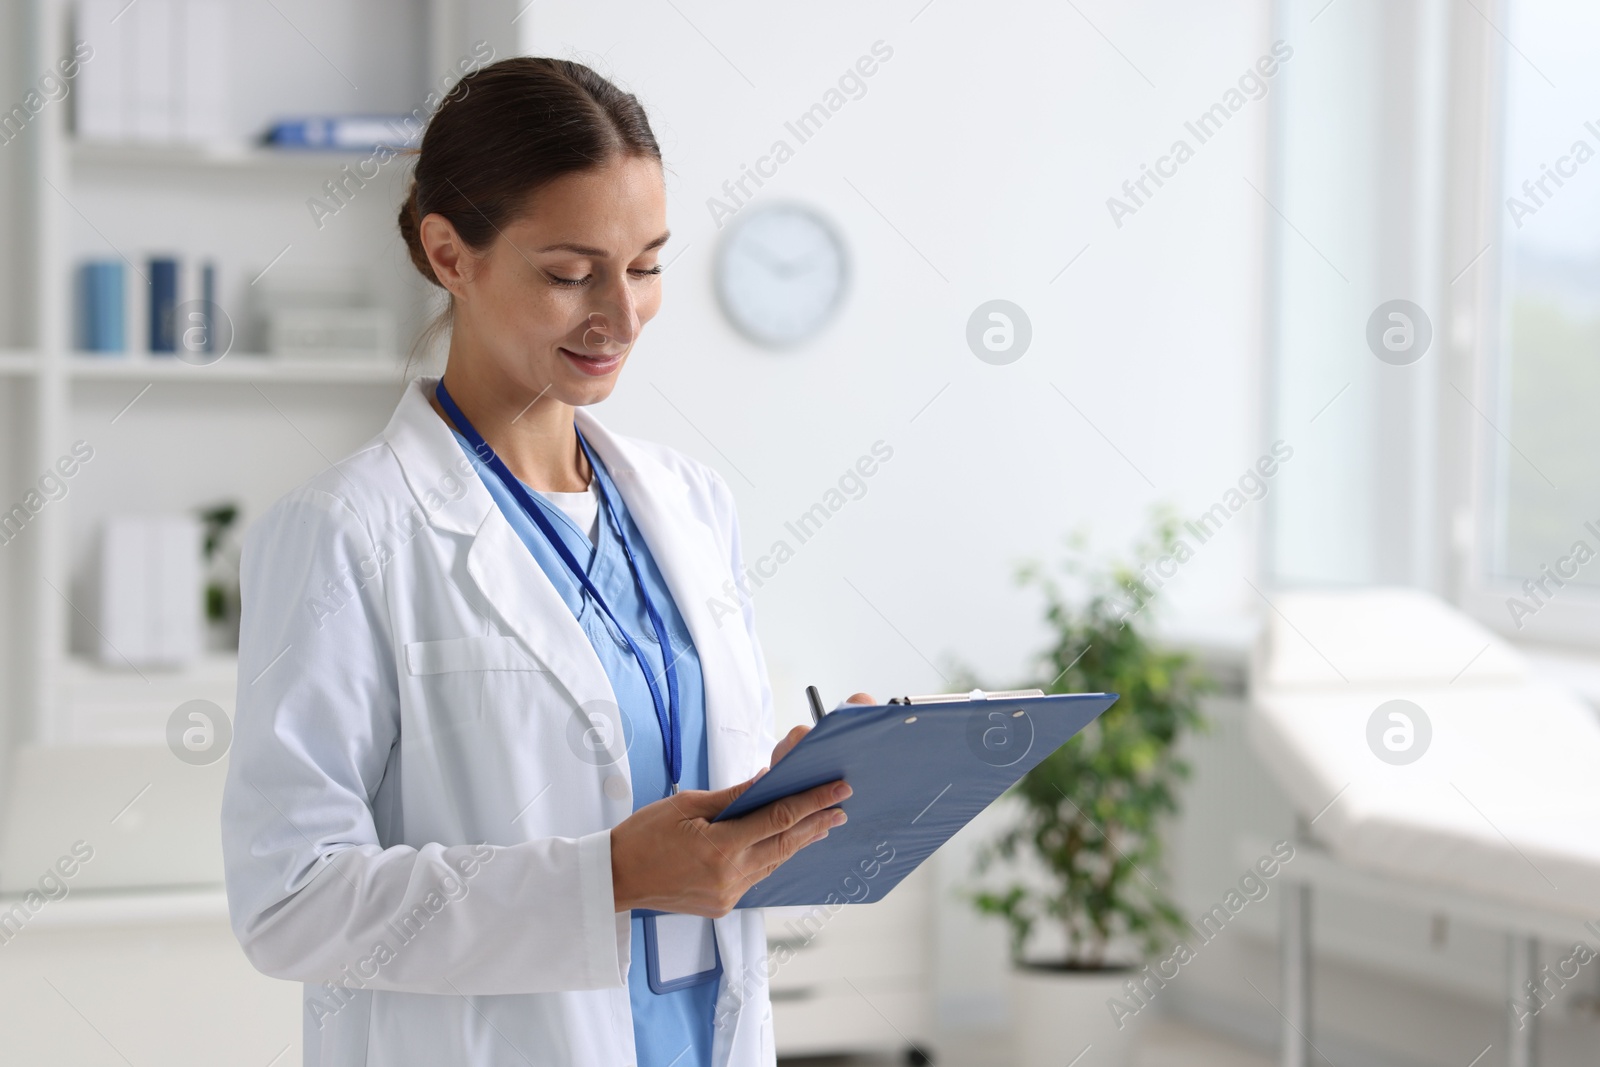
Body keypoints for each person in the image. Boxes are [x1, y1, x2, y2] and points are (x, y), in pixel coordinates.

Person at [221, 56, 866, 1067]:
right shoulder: (348, 529)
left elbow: (666, 791)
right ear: (450, 254)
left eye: (646, 264)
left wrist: (787, 799)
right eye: (570, 273)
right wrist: (602, 876)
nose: (618, 312)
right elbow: (290, 901)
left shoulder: (692, 506)